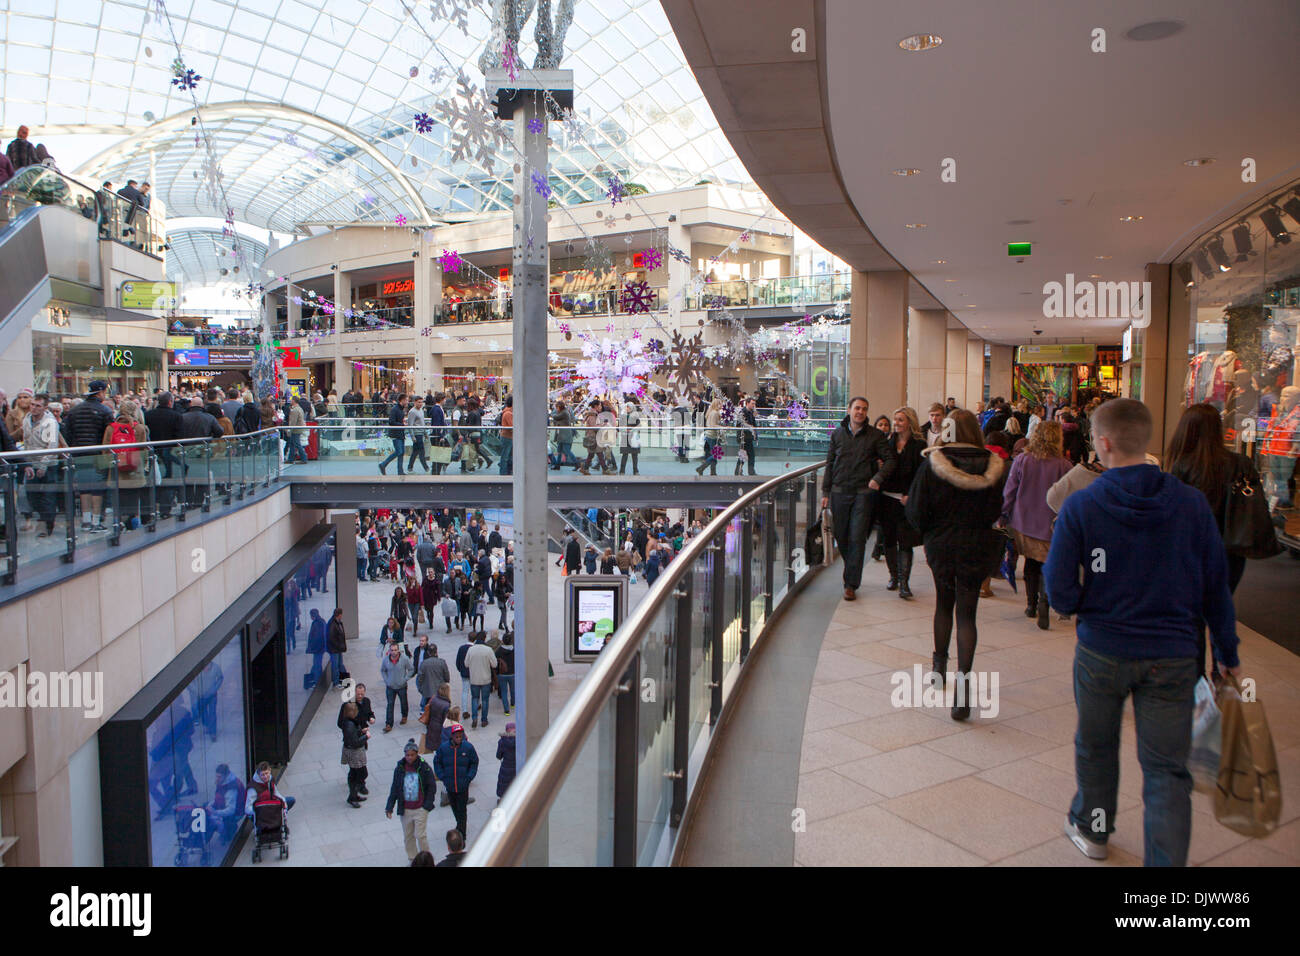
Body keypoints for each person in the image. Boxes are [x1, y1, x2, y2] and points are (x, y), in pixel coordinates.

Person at [1043, 399, 1241, 866]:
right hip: (1173, 657)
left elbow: (1059, 590)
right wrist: (1226, 653)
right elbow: (1217, 586)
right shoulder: (1190, 504)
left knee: (1095, 747)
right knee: (1168, 772)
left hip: (1101, 651)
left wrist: (1084, 607)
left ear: (1104, 443)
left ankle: (1093, 831)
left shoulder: (1082, 505)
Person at [905, 409, 1006, 720]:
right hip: (977, 544)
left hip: (942, 544)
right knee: (968, 614)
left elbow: (917, 511)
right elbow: (997, 509)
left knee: (943, 604)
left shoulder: (933, 464)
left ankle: (938, 667)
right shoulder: (995, 465)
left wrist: (928, 530)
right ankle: (963, 689)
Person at [1164, 403, 1261, 679]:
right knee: (1221, 609)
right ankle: (1223, 673)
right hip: (1231, 551)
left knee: (1192, 618)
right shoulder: (1240, 464)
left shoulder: (1181, 467)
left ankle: (1196, 684)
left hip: (1191, 554)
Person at [820, 397, 897, 601]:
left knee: (857, 537)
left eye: (864, 409)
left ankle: (850, 584)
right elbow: (829, 463)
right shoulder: (837, 434)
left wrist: (877, 478)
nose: (860, 412)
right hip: (838, 492)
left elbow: (890, 460)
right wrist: (825, 492)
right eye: (857, 408)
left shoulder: (875, 436)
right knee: (842, 536)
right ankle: (851, 567)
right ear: (849, 410)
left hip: (863, 493)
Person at [1001, 420, 1073, 629]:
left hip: (1024, 522)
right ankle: (1045, 601)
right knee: (1048, 565)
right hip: (1051, 525)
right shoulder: (1064, 465)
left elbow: (1010, 490)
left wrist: (1004, 514)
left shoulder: (1023, 460)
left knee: (1031, 564)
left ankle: (1030, 604)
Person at [878, 407, 926, 600]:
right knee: (889, 539)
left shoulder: (919, 445)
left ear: (910, 422)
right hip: (887, 497)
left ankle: (904, 583)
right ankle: (893, 577)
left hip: (907, 499)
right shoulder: (887, 443)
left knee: (905, 540)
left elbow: (921, 475)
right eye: (895, 419)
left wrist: (910, 494)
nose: (896, 423)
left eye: (900, 420)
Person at [63, 379, 114, 533]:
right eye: (105, 391)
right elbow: (109, 435)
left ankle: (85, 520)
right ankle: (96, 521)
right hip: (97, 454)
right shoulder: (105, 411)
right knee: (97, 488)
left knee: (84, 487)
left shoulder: (74, 411)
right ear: (100, 392)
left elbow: (67, 433)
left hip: (79, 453)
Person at [385, 739, 438, 862]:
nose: (409, 757)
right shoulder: (400, 768)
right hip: (406, 809)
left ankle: (426, 860)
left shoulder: (424, 767)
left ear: (416, 754)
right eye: (407, 755)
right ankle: (412, 859)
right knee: (408, 837)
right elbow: (395, 788)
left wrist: (427, 805)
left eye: (412, 755)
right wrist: (389, 806)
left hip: (420, 808)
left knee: (420, 835)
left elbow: (431, 786)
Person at [433, 723, 478, 837]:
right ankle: (459, 825)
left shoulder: (468, 747)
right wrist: (442, 776)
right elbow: (437, 762)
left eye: (460, 736)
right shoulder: (444, 748)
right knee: (454, 808)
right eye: (456, 736)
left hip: (463, 785)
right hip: (450, 785)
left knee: (462, 810)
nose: (458, 738)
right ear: (452, 736)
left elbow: (474, 762)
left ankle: (462, 833)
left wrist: (469, 777)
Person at [339, 701, 370, 808]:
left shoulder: (349, 722)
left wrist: (361, 731)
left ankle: (354, 795)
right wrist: (366, 736)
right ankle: (352, 796)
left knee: (355, 773)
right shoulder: (349, 724)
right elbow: (354, 742)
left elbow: (352, 737)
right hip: (354, 752)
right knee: (359, 773)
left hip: (352, 750)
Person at [380, 638, 415, 733]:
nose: (394, 652)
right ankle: (389, 724)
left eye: (395, 650)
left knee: (403, 702)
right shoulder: (386, 660)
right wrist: (386, 680)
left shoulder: (404, 659)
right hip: (390, 686)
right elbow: (383, 670)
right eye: (392, 650)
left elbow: (411, 669)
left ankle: (404, 716)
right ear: (389, 650)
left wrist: (405, 678)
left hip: (401, 686)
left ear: (398, 650)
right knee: (390, 705)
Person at [465, 632, 498, 729]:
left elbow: (466, 664)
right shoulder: (488, 650)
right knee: (485, 700)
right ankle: (484, 720)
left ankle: (474, 718)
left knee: (475, 698)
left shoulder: (471, 650)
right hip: (486, 679)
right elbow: (494, 664)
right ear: (484, 639)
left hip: (474, 678)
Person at [416, 640, 451, 715]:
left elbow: (420, 678)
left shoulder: (424, 663)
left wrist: (421, 689)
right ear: (436, 652)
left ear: (428, 653)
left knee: (429, 710)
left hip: (428, 691)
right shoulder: (442, 662)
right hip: (440, 691)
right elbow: (447, 676)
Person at [379, 394, 408, 475]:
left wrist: (402, 423)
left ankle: (400, 471)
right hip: (396, 434)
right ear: (401, 400)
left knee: (401, 452)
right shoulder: (395, 409)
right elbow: (391, 421)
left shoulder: (400, 409)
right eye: (406, 400)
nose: (407, 402)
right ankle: (383, 464)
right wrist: (402, 425)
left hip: (400, 433)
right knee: (399, 451)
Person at [421, 682, 452, 753]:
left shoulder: (434, 699)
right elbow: (445, 721)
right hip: (439, 728)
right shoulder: (446, 705)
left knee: (433, 745)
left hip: (431, 725)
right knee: (440, 747)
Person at [696, 396, 724, 475]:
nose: (722, 405)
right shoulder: (715, 413)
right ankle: (701, 468)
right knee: (716, 454)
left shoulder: (711, 412)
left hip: (710, 435)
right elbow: (713, 425)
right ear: (717, 404)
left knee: (714, 454)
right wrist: (722, 427)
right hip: (713, 436)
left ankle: (712, 472)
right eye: (721, 404)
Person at [618, 398, 642, 475]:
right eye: (626, 407)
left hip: (633, 437)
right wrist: (625, 429)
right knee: (625, 454)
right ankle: (622, 471)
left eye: (629, 407)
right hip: (625, 437)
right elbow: (620, 427)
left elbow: (639, 426)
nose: (627, 408)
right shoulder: (622, 416)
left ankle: (636, 470)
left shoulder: (636, 416)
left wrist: (631, 429)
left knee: (634, 455)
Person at [496, 721, 517, 802]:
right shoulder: (518, 741)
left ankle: (502, 799)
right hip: (515, 766)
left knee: (504, 783)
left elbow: (498, 756)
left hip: (506, 766)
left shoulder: (501, 742)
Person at [495, 630, 515, 716]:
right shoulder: (515, 649)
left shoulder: (499, 650)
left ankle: (506, 710)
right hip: (512, 673)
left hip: (502, 674)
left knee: (504, 691)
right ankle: (513, 704)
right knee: (513, 690)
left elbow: (495, 662)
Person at [327, 607, 348, 686]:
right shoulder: (333, 624)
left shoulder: (338, 622)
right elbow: (332, 638)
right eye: (341, 614)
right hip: (335, 649)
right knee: (335, 666)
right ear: (339, 615)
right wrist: (339, 646)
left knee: (340, 664)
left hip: (338, 648)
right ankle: (336, 682)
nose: (342, 616)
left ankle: (344, 679)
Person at [455, 631, 474, 715]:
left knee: (465, 691)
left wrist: (461, 669)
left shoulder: (461, 648)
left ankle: (465, 710)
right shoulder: (474, 649)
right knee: (475, 692)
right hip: (474, 673)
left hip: (464, 673)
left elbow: (457, 661)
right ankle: (477, 705)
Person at [498, 394, 514, 475]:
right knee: (505, 456)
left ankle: (507, 472)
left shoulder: (508, 413)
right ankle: (504, 473)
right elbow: (512, 426)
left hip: (508, 437)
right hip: (507, 437)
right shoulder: (508, 414)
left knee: (508, 456)